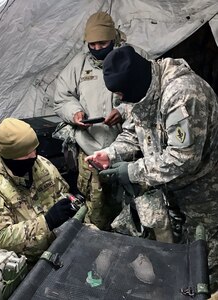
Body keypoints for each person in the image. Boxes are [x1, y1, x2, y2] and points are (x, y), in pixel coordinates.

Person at [86, 45, 218, 291]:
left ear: (136, 85)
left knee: (205, 263)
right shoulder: (144, 90)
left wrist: (133, 171)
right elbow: (134, 130)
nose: (120, 101)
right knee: (181, 256)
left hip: (204, 194)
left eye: (122, 94)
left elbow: (183, 157)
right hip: (173, 191)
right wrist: (110, 153)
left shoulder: (183, 95)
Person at [54, 11, 147, 230]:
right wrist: (75, 113)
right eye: (92, 44)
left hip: (128, 150)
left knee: (136, 210)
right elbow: (62, 97)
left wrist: (123, 110)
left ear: (113, 38)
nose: (96, 49)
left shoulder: (132, 57)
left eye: (102, 43)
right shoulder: (79, 64)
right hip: (90, 151)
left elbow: (147, 93)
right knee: (96, 211)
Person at [0, 118, 75, 262]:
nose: (33, 158)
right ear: (10, 156)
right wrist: (46, 222)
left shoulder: (42, 165)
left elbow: (62, 193)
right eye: (26, 155)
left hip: (52, 248)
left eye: (34, 151)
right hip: (17, 262)